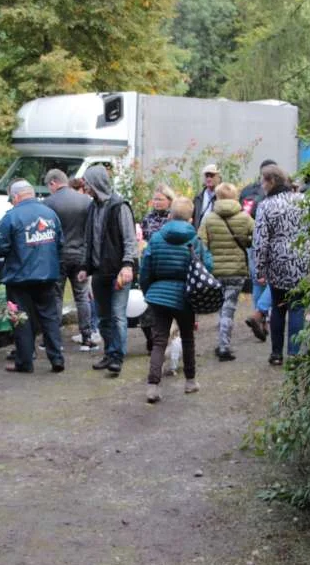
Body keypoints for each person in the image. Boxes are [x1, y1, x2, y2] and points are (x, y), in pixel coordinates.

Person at [139, 196, 213, 403]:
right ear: (190, 218)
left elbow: (146, 269)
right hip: (186, 296)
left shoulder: (156, 238)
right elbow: (208, 267)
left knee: (159, 340)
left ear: (170, 216)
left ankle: (153, 386)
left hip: (159, 295)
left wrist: (149, 291)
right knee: (188, 338)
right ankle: (190, 381)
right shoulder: (195, 241)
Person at [0, 179, 65, 373]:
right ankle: (57, 358)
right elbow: (60, 243)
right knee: (49, 317)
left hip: (19, 278)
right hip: (47, 276)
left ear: (16, 197)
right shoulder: (50, 214)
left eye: (11, 199)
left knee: (20, 319)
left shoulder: (11, 217)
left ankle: (25, 362)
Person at [76, 165, 138, 376]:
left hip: (119, 272)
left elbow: (130, 239)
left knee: (118, 315)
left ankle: (117, 357)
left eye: (87, 183)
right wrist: (85, 266)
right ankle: (109, 352)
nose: (85, 188)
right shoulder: (92, 207)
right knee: (103, 317)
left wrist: (128, 264)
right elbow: (88, 240)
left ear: (96, 183)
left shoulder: (120, 207)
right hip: (99, 272)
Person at [255, 164, 310, 365]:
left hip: (278, 262)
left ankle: (276, 354)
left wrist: (259, 268)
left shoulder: (266, 205)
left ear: (271, 181)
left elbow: (261, 241)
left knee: (278, 307)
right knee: (297, 306)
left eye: (263, 180)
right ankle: (295, 353)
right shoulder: (305, 201)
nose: (261, 185)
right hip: (303, 259)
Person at [199, 182, 254, 361]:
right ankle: (224, 346)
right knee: (229, 308)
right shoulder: (245, 218)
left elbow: (201, 244)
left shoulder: (209, 219)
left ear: (218, 197)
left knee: (222, 308)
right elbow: (256, 237)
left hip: (216, 271)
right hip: (237, 271)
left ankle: (222, 343)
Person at [43, 168, 97, 351]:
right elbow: (91, 230)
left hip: (58, 257)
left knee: (56, 297)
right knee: (82, 297)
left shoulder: (48, 203)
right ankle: (87, 337)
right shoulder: (85, 201)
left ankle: (53, 339)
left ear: (53, 183)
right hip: (80, 256)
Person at [243, 160, 279, 342]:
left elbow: (244, 215)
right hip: (272, 245)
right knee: (275, 281)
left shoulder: (248, 191)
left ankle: (261, 319)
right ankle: (260, 314)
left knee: (258, 281)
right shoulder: (274, 196)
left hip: (254, 243)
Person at [138, 184, 176, 352]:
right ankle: (150, 337)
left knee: (164, 305)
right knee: (146, 305)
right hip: (150, 264)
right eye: (155, 199)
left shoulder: (174, 218)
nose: (157, 202)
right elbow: (143, 239)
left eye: (160, 199)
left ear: (169, 201)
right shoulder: (147, 218)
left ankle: (163, 338)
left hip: (168, 265)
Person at [191, 163, 222, 229]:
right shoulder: (198, 197)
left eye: (212, 176)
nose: (209, 179)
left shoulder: (222, 196)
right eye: (207, 176)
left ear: (219, 178)